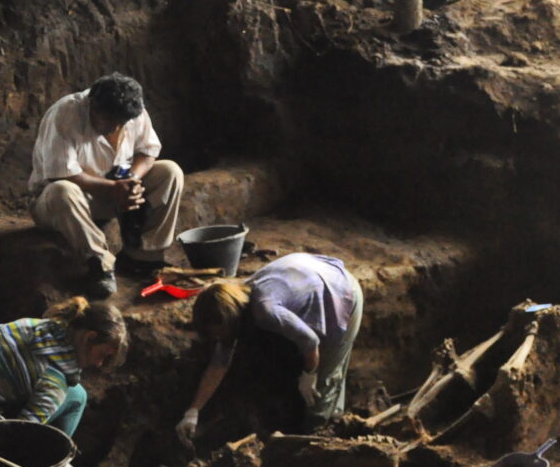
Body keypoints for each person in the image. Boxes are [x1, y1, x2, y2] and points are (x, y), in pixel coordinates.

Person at [177, 253, 364, 447]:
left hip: (340, 290)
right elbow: (219, 363)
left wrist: (309, 375)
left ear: (230, 320)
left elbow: (310, 341)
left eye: (219, 334)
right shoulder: (237, 299)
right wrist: (193, 411)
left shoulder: (265, 310)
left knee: (322, 383)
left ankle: (318, 439)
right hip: (310, 280)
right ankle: (333, 417)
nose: (218, 339)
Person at [30, 73, 184, 299]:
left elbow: (148, 151)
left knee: (170, 172)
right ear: (92, 104)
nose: (115, 128)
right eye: (109, 120)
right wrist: (113, 188)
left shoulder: (132, 109)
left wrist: (132, 180)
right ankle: (100, 264)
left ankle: (143, 258)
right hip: (65, 203)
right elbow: (60, 174)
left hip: (112, 191)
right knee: (61, 191)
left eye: (122, 123)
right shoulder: (65, 114)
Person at [0, 297, 127, 456]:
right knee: (77, 397)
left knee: (71, 390)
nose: (99, 364)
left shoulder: (27, 324)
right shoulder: (55, 379)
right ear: (89, 337)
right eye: (103, 355)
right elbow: (22, 430)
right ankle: (54, 459)